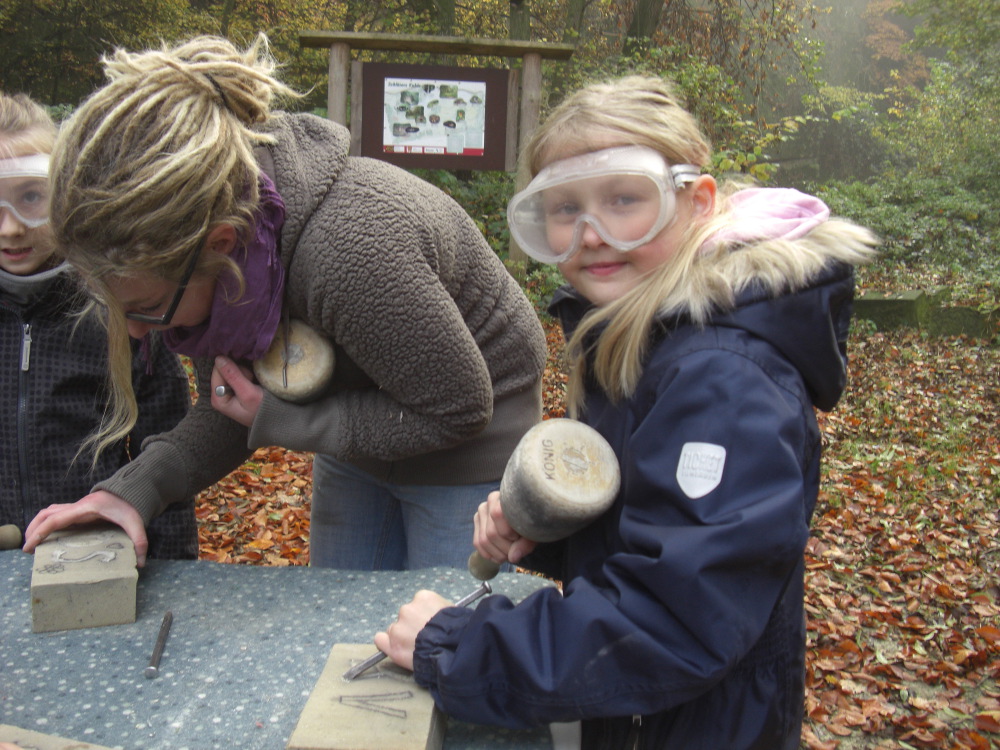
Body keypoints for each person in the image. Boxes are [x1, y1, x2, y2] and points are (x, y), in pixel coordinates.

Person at [372, 75, 879, 748]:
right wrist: (547, 531)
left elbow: (675, 621)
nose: (592, 234)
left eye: (624, 199)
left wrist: (461, 647)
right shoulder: (648, 338)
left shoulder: (723, 378)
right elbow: (660, 532)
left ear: (695, 203)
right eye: (563, 210)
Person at [22, 35, 546, 570]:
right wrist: (130, 491)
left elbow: (458, 409)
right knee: (336, 635)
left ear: (221, 244)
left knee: (441, 643)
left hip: (466, 451)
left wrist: (292, 423)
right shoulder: (214, 242)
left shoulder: (352, 250)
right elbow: (234, 408)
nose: (135, 334)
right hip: (359, 441)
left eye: (145, 308)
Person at [0, 92, 197, 559]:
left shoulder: (121, 309)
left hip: (98, 562)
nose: (11, 228)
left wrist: (174, 571)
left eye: (31, 198)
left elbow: (167, 450)